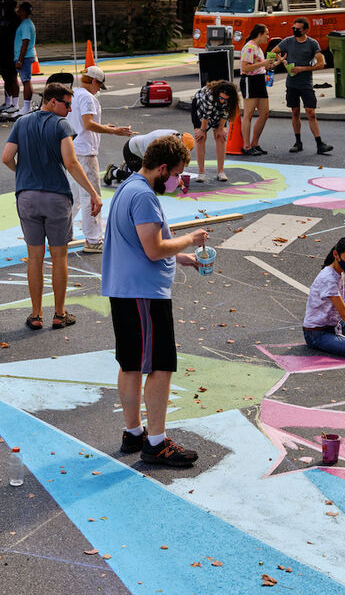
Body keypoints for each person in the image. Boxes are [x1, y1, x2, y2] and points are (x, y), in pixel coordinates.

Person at [101, 135, 209, 466]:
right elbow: (153, 248)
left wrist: (182, 257)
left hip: (124, 289)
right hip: (144, 294)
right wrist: (190, 239)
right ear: (163, 168)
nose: (177, 182)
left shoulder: (128, 187)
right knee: (161, 366)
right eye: (176, 174)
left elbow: (141, 242)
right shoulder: (145, 196)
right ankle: (157, 443)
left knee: (131, 363)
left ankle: (133, 433)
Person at [2, 82, 102, 330]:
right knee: (59, 257)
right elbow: (71, 162)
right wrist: (93, 193)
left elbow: (6, 157)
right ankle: (59, 313)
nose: (70, 110)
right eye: (67, 104)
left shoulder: (21, 122)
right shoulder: (61, 125)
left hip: (26, 196)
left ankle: (35, 315)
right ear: (52, 102)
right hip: (56, 197)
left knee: (34, 258)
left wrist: (22, 172)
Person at [67, 66, 133, 254]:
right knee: (92, 196)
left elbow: (81, 123)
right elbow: (87, 123)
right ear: (94, 81)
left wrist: (104, 127)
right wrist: (113, 130)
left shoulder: (73, 94)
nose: (98, 90)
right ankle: (94, 239)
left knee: (74, 196)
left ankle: (63, 232)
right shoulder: (88, 97)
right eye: (99, 86)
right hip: (85, 152)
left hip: (72, 149)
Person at [273, 17, 332, 154]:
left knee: (311, 113)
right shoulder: (288, 41)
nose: (294, 31)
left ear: (306, 30)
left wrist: (302, 69)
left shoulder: (312, 43)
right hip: (291, 83)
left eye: (298, 29)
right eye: (293, 28)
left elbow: (321, 64)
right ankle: (298, 142)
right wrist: (282, 62)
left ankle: (319, 143)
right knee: (295, 112)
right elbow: (273, 52)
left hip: (305, 83)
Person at [239, 24, 281, 156]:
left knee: (264, 113)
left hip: (259, 79)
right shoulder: (250, 47)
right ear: (259, 34)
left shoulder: (258, 48)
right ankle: (246, 146)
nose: (268, 37)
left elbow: (262, 67)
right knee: (248, 114)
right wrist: (264, 63)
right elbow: (245, 68)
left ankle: (255, 143)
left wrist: (277, 63)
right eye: (266, 34)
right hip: (250, 80)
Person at [188, 79, 239, 182]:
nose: (222, 100)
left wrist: (220, 128)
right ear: (217, 93)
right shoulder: (209, 95)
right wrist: (202, 130)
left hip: (217, 110)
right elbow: (206, 117)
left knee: (221, 137)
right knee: (201, 138)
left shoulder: (230, 100)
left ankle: (221, 171)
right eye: (221, 97)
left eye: (225, 99)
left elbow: (225, 113)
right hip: (201, 108)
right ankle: (201, 173)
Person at [104, 130, 195, 186]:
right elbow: (154, 168)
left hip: (140, 149)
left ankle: (128, 167)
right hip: (131, 152)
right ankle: (114, 172)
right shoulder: (161, 142)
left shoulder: (175, 138)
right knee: (143, 179)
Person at [0, 0, 22, 115]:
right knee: (5, 77)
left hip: (12, 52)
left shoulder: (16, 19)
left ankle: (15, 104)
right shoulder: (3, 19)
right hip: (2, 52)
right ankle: (7, 102)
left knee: (12, 77)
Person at [14, 2, 37, 114]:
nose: (17, 11)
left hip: (25, 56)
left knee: (26, 81)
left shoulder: (26, 24)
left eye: (19, 9)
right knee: (25, 80)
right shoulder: (25, 23)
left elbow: (25, 41)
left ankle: (27, 107)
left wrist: (20, 60)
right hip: (25, 56)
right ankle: (26, 106)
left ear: (23, 11)